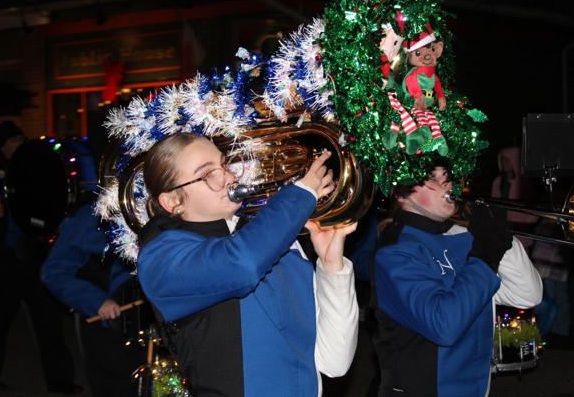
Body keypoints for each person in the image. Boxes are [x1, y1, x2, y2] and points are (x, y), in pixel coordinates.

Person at [136, 133, 359, 396]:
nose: (229, 178)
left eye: (224, 164)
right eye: (208, 174)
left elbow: (335, 361)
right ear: (173, 201)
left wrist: (331, 268)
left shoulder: (274, 240)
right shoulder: (162, 259)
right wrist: (301, 195)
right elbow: (241, 264)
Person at [371, 165, 542, 396]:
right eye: (432, 179)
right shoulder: (395, 251)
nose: (447, 185)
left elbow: (527, 294)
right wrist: (484, 256)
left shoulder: (462, 236)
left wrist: (500, 236)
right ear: (401, 194)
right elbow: (444, 326)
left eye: (448, 178)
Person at [0, 121, 81, 393]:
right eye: (14, 141)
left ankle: (60, 380)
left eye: (21, 139)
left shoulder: (34, 173)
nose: (20, 145)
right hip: (1, 259)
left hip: (33, 256)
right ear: (3, 147)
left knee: (47, 318)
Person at [42, 191, 146, 396]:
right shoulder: (89, 216)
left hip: (156, 323)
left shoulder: (159, 205)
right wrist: (96, 302)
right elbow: (54, 272)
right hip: (110, 325)